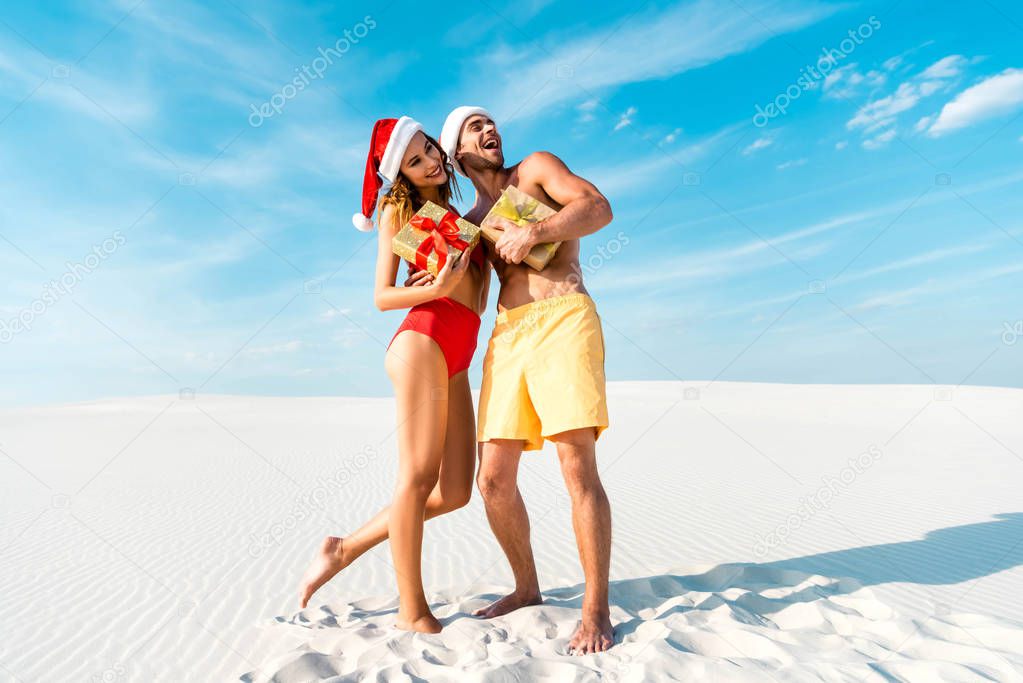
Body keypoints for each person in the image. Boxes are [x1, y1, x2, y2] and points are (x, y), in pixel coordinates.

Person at [298, 116, 490, 634]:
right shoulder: (398, 211)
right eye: (415, 160)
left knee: (453, 492)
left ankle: (345, 547)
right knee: (416, 477)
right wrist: (435, 288)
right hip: (423, 339)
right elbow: (382, 296)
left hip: (459, 353)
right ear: (399, 174)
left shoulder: (457, 215)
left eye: (429, 150)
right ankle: (412, 609)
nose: (430, 161)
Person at [438, 106, 616, 654]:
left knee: (575, 465)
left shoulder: (535, 168)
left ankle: (596, 610)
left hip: (563, 316)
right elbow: (457, 286)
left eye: (490, 122)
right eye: (475, 126)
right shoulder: (470, 218)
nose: (489, 129)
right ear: (457, 152)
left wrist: (535, 229)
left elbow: (598, 208)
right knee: (492, 480)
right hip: (508, 334)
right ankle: (527, 587)